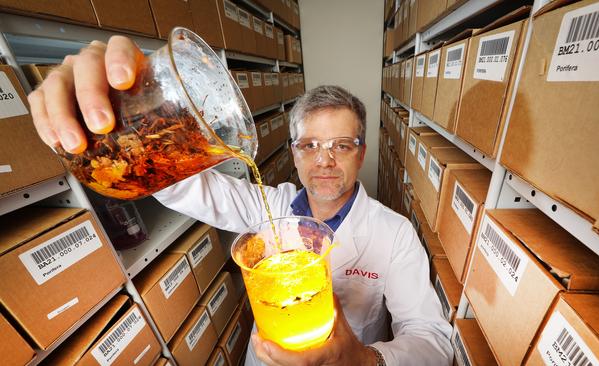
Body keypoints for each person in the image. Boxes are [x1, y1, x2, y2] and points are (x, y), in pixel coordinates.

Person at [28, 36, 453, 366]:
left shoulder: (393, 232)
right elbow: (183, 185)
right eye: (309, 144)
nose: (324, 160)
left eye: (341, 145)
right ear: (294, 153)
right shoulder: (265, 206)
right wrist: (124, 116)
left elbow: (433, 341)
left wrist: (363, 360)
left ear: (361, 152)